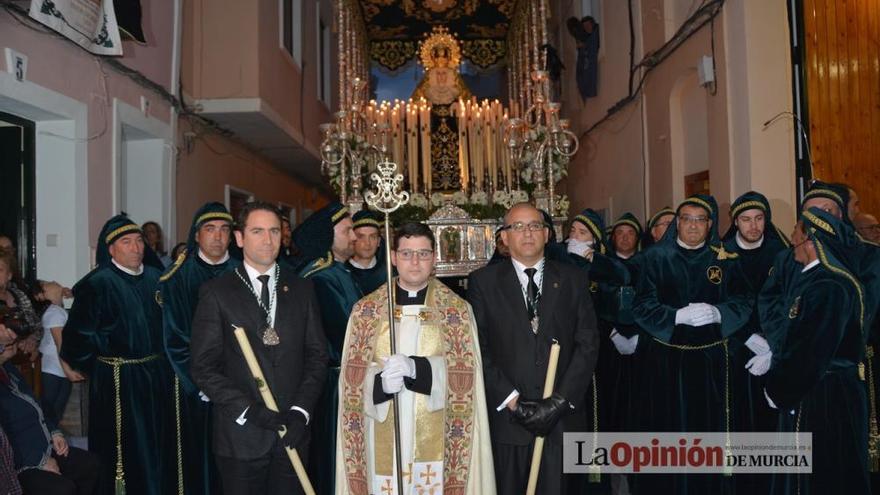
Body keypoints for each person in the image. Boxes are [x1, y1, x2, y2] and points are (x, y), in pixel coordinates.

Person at [335, 222, 495, 494]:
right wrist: (379, 385)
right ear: (394, 257)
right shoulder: (366, 312)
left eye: (423, 253)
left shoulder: (456, 311)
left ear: (434, 258)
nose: (415, 262)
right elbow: (350, 382)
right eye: (407, 253)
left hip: (438, 436)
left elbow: (467, 380)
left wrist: (418, 369)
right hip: (381, 432)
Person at [190, 201, 328, 495]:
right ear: (239, 238)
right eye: (257, 231)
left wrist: (301, 411)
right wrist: (251, 411)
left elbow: (317, 356)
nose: (267, 240)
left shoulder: (302, 289)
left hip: (293, 433)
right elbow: (203, 367)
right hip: (241, 437)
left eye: (274, 231)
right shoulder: (217, 293)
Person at [468, 202, 599, 494]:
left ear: (548, 234)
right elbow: (478, 348)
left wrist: (558, 402)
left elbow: (588, 344)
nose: (527, 233)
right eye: (517, 226)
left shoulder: (573, 279)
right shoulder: (483, 283)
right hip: (509, 424)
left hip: (562, 421)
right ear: (503, 237)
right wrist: (513, 401)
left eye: (535, 226)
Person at [632, 194, 752, 494]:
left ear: (710, 224)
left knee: (707, 432)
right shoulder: (654, 259)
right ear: (677, 224)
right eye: (687, 219)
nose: (694, 226)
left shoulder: (725, 259)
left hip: (711, 364)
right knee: (667, 431)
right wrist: (675, 316)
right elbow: (641, 305)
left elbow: (744, 301)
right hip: (666, 362)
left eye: (701, 220)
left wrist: (719, 312)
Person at [61, 214, 176, 495]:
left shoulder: (156, 278)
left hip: (156, 376)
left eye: (139, 241)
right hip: (117, 381)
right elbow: (76, 339)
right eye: (127, 242)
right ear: (111, 248)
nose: (136, 248)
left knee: (158, 441)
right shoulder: (96, 283)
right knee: (125, 448)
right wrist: (103, 365)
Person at [766, 208, 869, 494]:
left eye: (796, 234)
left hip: (824, 397)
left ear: (811, 241)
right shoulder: (819, 279)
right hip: (822, 390)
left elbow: (810, 352)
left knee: (823, 473)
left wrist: (778, 388)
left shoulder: (828, 286)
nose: (791, 239)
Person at [159, 202, 240, 495]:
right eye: (210, 229)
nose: (217, 237)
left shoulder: (245, 272)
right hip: (195, 387)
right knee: (198, 457)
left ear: (232, 236)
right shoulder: (178, 278)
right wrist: (202, 385)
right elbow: (176, 339)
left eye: (224, 230)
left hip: (241, 385)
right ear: (196, 235)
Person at [294, 202, 362, 495]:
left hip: (346, 377)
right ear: (327, 236)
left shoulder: (338, 272)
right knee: (334, 454)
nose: (355, 237)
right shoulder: (320, 278)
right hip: (333, 383)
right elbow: (345, 331)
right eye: (347, 231)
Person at [0, 327, 103, 495]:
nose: (8, 333)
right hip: (20, 464)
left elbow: (38, 405)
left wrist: (55, 432)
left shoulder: (8, 369)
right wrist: (39, 462)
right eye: (5, 337)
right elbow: (5, 446)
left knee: (91, 464)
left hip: (43, 447)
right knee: (62, 489)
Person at [37, 280, 82, 423]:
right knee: (50, 413)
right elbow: (60, 343)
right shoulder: (54, 312)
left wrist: (70, 292)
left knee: (55, 413)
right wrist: (68, 370)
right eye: (47, 284)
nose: (53, 282)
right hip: (53, 369)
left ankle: (53, 443)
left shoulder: (57, 310)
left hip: (58, 368)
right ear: (43, 295)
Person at [346, 209, 387, 295]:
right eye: (361, 237)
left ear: (379, 241)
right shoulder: (342, 273)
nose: (367, 243)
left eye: (372, 237)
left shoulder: (390, 273)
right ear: (352, 238)